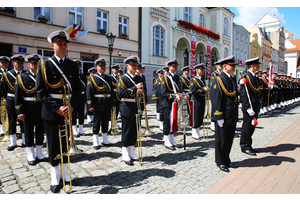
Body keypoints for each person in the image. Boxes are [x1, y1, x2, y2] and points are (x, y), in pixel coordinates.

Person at [36, 30, 81, 193]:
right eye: (59, 44)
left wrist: (71, 106)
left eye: (65, 43)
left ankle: (65, 173)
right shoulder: (44, 64)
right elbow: (40, 90)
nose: (63, 46)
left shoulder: (72, 65)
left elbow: (77, 89)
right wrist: (56, 107)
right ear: (52, 45)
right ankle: (55, 176)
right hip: (51, 111)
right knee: (54, 144)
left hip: (68, 110)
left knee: (66, 143)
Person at [15, 54, 47, 166]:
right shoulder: (22, 77)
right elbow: (17, 96)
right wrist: (19, 111)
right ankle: (30, 153)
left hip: (41, 108)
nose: (35, 65)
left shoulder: (43, 76)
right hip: (27, 109)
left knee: (40, 131)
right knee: (28, 132)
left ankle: (39, 152)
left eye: (37, 63)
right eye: (33, 63)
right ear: (28, 64)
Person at [211, 55, 239, 172]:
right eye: (232, 65)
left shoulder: (232, 78)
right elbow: (216, 99)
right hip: (223, 115)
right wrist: (218, 116)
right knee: (221, 140)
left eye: (233, 65)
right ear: (225, 67)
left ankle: (227, 159)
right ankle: (220, 161)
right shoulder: (218, 79)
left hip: (231, 114)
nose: (233, 67)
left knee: (229, 139)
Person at [117, 55, 143, 165]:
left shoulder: (139, 78)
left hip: (136, 107)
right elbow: (120, 94)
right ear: (127, 66)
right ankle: (125, 153)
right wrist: (134, 89)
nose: (134, 67)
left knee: (134, 131)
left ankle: (132, 151)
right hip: (126, 107)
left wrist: (141, 92)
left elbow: (142, 92)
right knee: (126, 131)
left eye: (136, 65)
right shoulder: (122, 78)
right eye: (132, 65)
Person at [86, 58, 114, 149]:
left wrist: (113, 102)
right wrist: (90, 105)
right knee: (97, 122)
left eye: (104, 66)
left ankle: (104, 139)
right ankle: (95, 141)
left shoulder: (109, 78)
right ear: (96, 67)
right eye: (100, 66)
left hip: (107, 103)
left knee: (105, 122)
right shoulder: (92, 78)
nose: (102, 68)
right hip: (97, 103)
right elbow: (89, 92)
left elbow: (112, 92)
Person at [0, 54, 26, 151]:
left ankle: (24, 140)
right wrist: (7, 98)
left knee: (23, 121)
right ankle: (13, 142)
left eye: (21, 63)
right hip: (11, 100)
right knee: (11, 121)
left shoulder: (25, 74)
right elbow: (2, 88)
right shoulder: (7, 75)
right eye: (17, 62)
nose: (19, 64)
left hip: (23, 101)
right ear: (13, 63)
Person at [161, 58, 188, 150]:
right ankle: (166, 140)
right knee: (167, 122)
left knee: (174, 122)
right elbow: (164, 93)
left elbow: (179, 90)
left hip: (176, 103)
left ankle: (172, 139)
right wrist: (174, 96)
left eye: (176, 66)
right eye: (174, 66)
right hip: (168, 103)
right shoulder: (165, 77)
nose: (176, 67)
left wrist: (183, 95)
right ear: (169, 67)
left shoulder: (177, 77)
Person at [239, 57, 261, 156]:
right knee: (247, 127)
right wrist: (248, 108)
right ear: (252, 66)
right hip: (249, 107)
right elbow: (244, 95)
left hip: (254, 105)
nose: (258, 66)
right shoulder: (245, 78)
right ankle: (244, 146)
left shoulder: (254, 77)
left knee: (252, 127)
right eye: (257, 64)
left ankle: (249, 144)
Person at [190, 63, 210, 140]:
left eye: (203, 69)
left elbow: (203, 89)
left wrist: (206, 90)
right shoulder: (193, 80)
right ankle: (194, 132)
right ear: (197, 70)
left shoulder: (202, 80)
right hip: (196, 101)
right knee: (196, 116)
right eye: (201, 69)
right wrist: (203, 90)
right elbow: (193, 91)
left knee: (201, 116)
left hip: (202, 100)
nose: (203, 71)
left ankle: (198, 131)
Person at [72, 59, 87, 137]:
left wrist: (87, 98)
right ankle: (74, 130)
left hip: (82, 96)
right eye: (77, 66)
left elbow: (86, 88)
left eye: (79, 66)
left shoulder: (83, 76)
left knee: (81, 114)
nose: (78, 67)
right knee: (74, 114)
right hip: (74, 97)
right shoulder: (71, 75)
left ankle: (81, 129)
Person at [210, 60, 223, 132]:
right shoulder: (214, 74)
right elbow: (213, 83)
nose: (221, 66)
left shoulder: (221, 73)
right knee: (214, 108)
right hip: (215, 92)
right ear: (217, 66)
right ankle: (213, 123)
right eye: (220, 65)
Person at [0, 56, 10, 137]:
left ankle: (8, 129)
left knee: (8, 113)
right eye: (2, 62)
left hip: (7, 96)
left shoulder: (10, 73)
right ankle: (2, 130)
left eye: (6, 62)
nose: (4, 64)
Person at [109, 64, 120, 130]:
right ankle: (111, 124)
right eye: (115, 69)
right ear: (112, 69)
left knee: (117, 110)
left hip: (118, 95)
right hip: (112, 95)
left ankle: (115, 124)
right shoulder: (110, 77)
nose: (116, 70)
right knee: (111, 110)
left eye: (117, 69)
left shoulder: (119, 77)